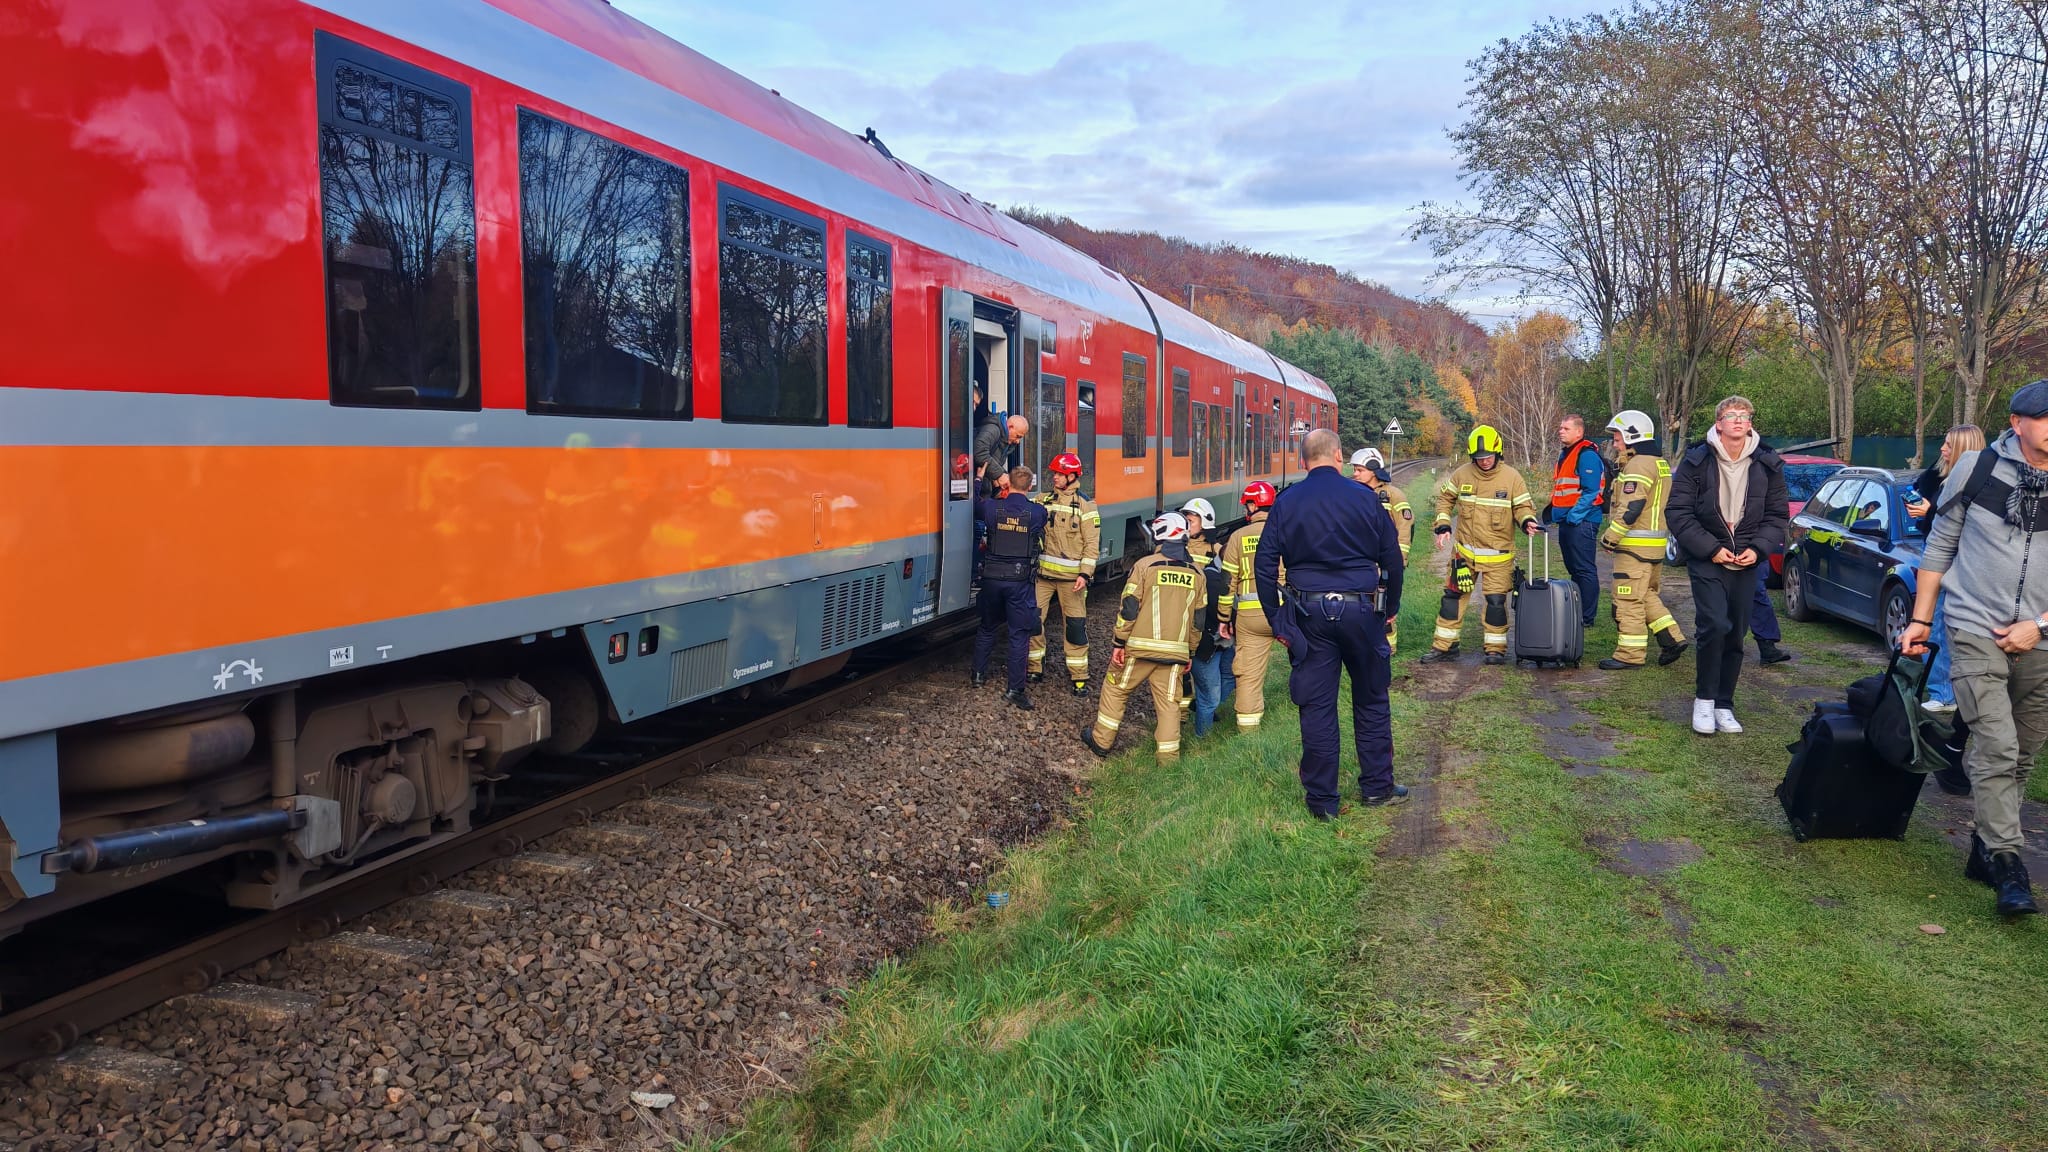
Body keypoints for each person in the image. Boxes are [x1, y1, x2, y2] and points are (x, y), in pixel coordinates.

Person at [1901, 387, 2048, 916]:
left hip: (2043, 640)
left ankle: (1984, 849)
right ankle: (2009, 864)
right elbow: (1940, 546)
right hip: (1973, 627)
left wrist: (2038, 625)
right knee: (1998, 745)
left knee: (2022, 754)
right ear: (2017, 422)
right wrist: (1920, 619)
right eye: (2045, 417)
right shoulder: (1978, 469)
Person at [1255, 428, 1408, 818]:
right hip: (1362, 610)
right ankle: (1377, 787)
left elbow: (1264, 565)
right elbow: (1391, 557)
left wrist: (1278, 620)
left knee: (1317, 708)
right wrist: (1389, 606)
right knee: (1372, 699)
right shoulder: (1366, 498)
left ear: (1304, 460)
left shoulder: (1287, 502)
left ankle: (1322, 802)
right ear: (1338, 456)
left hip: (1309, 616)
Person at [1666, 396, 1789, 736]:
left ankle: (1724, 704)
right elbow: (1678, 513)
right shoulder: (1697, 460)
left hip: (1747, 559)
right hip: (1709, 558)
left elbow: (1777, 516)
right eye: (1730, 416)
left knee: (1736, 632)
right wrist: (1711, 549)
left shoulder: (1768, 462)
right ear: (1718, 423)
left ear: (1750, 423)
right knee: (1714, 625)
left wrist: (1760, 548)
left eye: (1744, 415)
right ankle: (1704, 701)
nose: (1738, 420)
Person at [1083, 512, 1208, 763]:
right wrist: (1190, 652)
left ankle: (1101, 741)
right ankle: (1168, 758)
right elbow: (1198, 621)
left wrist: (1119, 641)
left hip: (1138, 650)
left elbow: (1129, 608)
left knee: (1116, 690)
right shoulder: (1198, 574)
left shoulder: (1145, 566)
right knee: (1169, 705)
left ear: (1160, 535)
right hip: (1175, 654)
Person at [1423, 425, 1542, 666]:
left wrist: (1527, 521)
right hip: (1464, 554)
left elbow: (1523, 507)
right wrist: (1443, 525)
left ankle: (1495, 650)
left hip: (1498, 557)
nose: (1484, 461)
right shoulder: (1462, 474)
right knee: (1452, 599)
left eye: (1488, 457)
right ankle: (1444, 647)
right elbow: (1446, 500)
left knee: (1496, 602)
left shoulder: (1512, 478)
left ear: (1498, 453)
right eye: (1478, 458)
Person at [1904, 424, 1987, 726]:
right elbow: (1918, 493)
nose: (1942, 449)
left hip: (1957, 562)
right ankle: (1937, 688)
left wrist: (1928, 512)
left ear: (1965, 449)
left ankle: (1944, 695)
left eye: (1950, 445)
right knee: (1929, 621)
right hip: (1931, 552)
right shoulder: (1938, 475)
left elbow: (1959, 528)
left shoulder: (1977, 484)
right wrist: (1917, 504)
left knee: (1938, 623)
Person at [1596, 410, 1688, 670]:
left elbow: (1632, 507)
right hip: (1654, 545)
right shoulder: (1658, 462)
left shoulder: (1638, 465)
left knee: (1627, 599)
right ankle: (1672, 639)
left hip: (1635, 546)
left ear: (1631, 435)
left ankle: (1630, 654)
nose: (1615, 443)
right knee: (1646, 594)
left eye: (1617, 437)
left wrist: (1609, 538)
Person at [971, 466, 1047, 710]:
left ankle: (978, 675)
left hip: (991, 579)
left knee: (986, 627)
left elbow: (974, 503)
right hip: (1019, 582)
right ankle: (1015, 689)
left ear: (1007, 484)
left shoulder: (992, 508)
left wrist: (979, 479)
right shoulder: (1037, 512)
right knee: (1018, 634)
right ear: (1030, 487)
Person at [1028, 452, 1100, 696]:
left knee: (1075, 628)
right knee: (1033, 621)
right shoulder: (1043, 499)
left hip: (1073, 582)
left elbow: (1092, 545)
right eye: (1054, 473)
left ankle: (1079, 676)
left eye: (1059, 474)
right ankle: (1034, 667)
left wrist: (1085, 574)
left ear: (1072, 476)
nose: (1055, 477)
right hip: (1043, 577)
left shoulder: (1086, 506)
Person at [1216, 482, 1279, 729]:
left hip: (1250, 616)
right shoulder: (1285, 531)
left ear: (1252, 506)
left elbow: (1227, 583)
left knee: (1249, 675)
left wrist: (1224, 618)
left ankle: (1248, 731)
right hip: (1286, 612)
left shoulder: (1238, 537)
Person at [1351, 448, 1414, 651]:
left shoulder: (1394, 496)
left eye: (1360, 470)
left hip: (1384, 562)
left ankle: (1388, 647)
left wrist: (1400, 560)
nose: (1355, 474)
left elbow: (1405, 529)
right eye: (1355, 469)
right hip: (1360, 561)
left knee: (1383, 604)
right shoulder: (1354, 494)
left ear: (1374, 470)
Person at [1548, 414, 1607, 630]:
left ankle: (1587, 617)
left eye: (1565, 428)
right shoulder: (1567, 454)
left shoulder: (1586, 455)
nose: (1560, 431)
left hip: (1582, 522)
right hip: (1568, 521)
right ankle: (1579, 611)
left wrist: (1574, 516)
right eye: (1560, 427)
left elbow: (1592, 491)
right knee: (1574, 568)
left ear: (1579, 432)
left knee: (1584, 569)